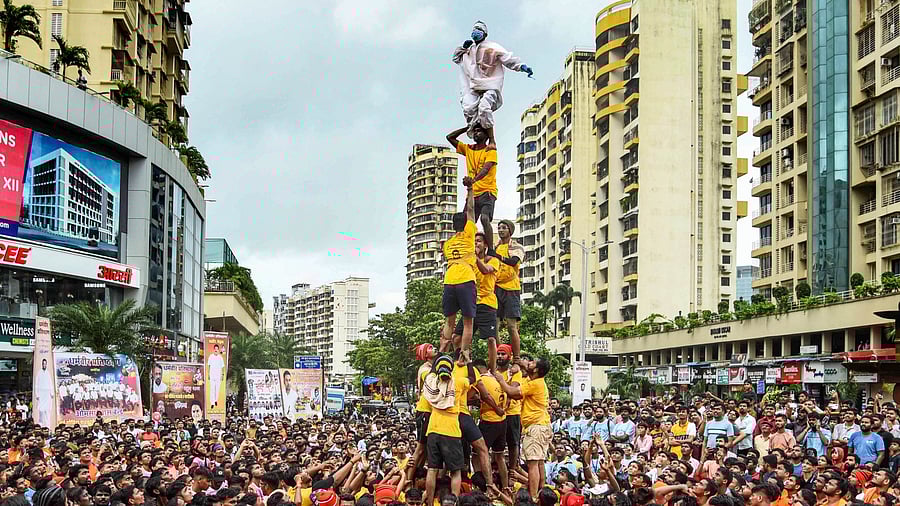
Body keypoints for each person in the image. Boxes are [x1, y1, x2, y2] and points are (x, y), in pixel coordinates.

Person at [451, 20, 532, 145]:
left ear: (485, 34)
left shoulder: (492, 47)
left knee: (484, 107)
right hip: (473, 85)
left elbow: (508, 59)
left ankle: (492, 140)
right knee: (468, 108)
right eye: (475, 29)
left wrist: (522, 66)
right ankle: (477, 133)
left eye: (479, 30)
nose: (476, 32)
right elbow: (455, 58)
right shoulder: (468, 50)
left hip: (490, 84)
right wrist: (463, 47)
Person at [494, 356, 552, 500]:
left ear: (537, 369)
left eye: (532, 362)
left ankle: (533, 497)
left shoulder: (536, 383)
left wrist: (500, 380)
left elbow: (513, 393)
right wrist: (520, 365)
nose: (528, 362)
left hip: (536, 426)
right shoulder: (532, 380)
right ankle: (540, 493)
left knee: (533, 463)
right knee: (538, 462)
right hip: (539, 425)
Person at [440, 180, 477, 362]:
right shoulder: (469, 233)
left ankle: (441, 351)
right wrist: (470, 189)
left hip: (449, 280)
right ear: (465, 223)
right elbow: (470, 210)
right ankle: (464, 355)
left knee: (449, 321)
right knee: (468, 321)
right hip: (465, 279)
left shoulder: (448, 244)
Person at [446, 125, 497, 250]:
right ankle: (464, 246)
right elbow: (450, 137)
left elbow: (486, 168)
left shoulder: (490, 150)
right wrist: (467, 128)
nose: (476, 133)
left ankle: (490, 250)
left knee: (485, 219)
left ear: (486, 135)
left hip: (487, 191)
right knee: (464, 222)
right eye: (475, 131)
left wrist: (473, 180)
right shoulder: (468, 149)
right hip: (472, 194)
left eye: (479, 131)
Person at [492, 219, 524, 360]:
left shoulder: (516, 247)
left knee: (512, 326)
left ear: (510, 230)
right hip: (496, 287)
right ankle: (500, 354)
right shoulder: (495, 246)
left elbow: (513, 261)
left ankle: (516, 357)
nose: (501, 230)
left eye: (504, 227)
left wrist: (497, 256)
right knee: (495, 325)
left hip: (511, 289)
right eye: (499, 228)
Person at [34, 358, 53, 427]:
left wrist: (52, 393)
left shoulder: (48, 372)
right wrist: (37, 394)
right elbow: (36, 384)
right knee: (41, 410)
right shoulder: (39, 372)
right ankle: (41, 424)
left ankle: (48, 426)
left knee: (47, 410)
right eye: (43, 364)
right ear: (42, 364)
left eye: (45, 364)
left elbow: (50, 383)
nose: (44, 365)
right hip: (41, 393)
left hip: (47, 393)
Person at [208, 344, 226, 410]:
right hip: (212, 375)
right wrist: (209, 374)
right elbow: (209, 366)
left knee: (217, 389)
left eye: (217, 349)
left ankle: (216, 400)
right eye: (215, 349)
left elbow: (222, 367)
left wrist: (222, 375)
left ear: (218, 350)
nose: (216, 350)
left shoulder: (220, 357)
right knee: (212, 389)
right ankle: (212, 402)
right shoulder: (211, 356)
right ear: (214, 349)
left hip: (218, 375)